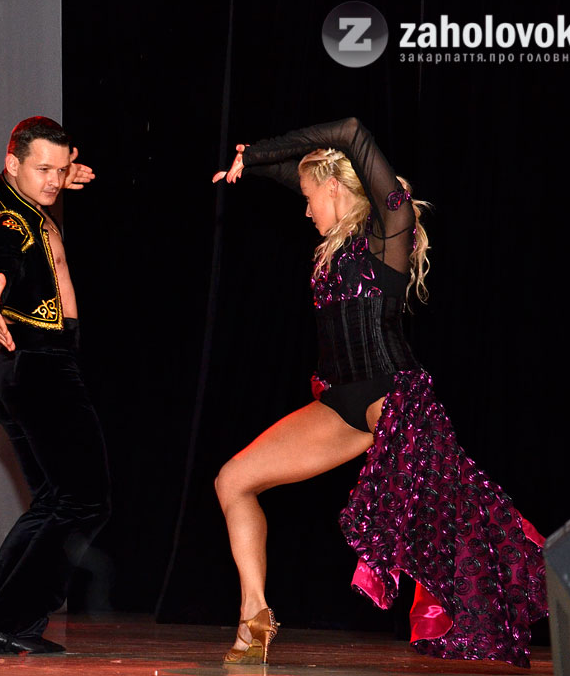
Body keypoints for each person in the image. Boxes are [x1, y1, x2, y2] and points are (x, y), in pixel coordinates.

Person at [211, 117, 547, 668]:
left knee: (466, 522)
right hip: (340, 402)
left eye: (309, 198)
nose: (305, 210)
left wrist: (265, 150)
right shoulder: (337, 242)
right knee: (233, 481)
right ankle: (255, 615)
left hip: (394, 398)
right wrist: (253, 164)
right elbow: (297, 173)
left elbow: (350, 130)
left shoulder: (390, 227)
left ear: (335, 187)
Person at [0, 116, 111, 655]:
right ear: (12, 164)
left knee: (54, 501)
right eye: (42, 169)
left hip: (23, 369)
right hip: (41, 367)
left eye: (61, 170)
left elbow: (20, 190)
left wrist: (55, 174)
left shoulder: (4, 193)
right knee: (85, 501)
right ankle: (8, 619)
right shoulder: (8, 219)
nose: (54, 180)